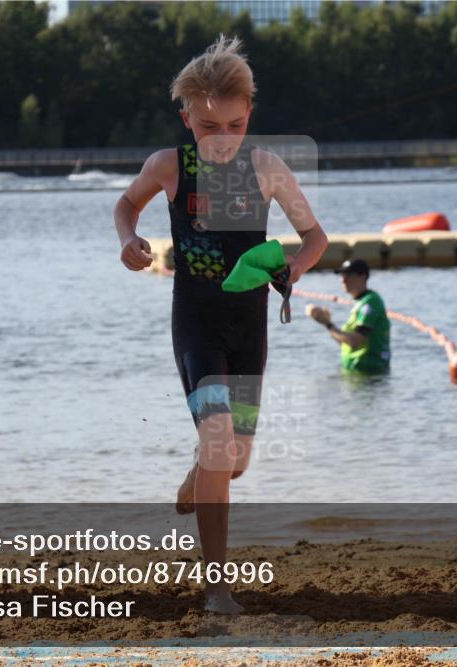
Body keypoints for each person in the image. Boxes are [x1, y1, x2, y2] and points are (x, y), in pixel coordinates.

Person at [113, 35, 328, 615]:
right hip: (196, 324)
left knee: (234, 460)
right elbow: (125, 205)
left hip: (249, 328)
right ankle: (217, 587)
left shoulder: (268, 169)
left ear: (249, 114)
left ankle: (197, 476)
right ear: (187, 118)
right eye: (209, 128)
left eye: (233, 126)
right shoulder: (168, 167)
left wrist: (293, 269)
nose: (222, 139)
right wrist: (130, 239)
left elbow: (315, 238)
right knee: (217, 442)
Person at [307, 259, 390, 374]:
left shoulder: (370, 302)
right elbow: (344, 342)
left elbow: (355, 340)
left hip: (370, 374)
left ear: (363, 276)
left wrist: (328, 324)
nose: (343, 280)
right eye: (341, 275)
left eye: (348, 275)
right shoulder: (360, 302)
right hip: (356, 373)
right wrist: (325, 322)